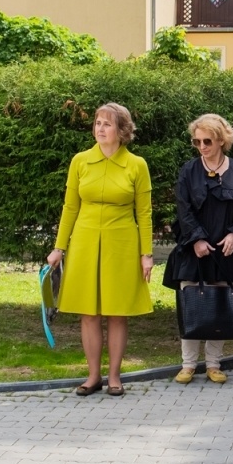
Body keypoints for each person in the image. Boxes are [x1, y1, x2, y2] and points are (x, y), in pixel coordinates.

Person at [45, 103, 155, 397]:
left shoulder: (137, 165)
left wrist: (146, 254)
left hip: (122, 243)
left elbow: (144, 212)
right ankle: (93, 376)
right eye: (97, 123)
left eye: (107, 124)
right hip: (84, 242)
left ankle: (115, 376)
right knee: (89, 313)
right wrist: (59, 248)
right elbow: (70, 207)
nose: (100, 129)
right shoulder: (80, 161)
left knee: (117, 313)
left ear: (122, 131)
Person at [164, 114, 233, 384]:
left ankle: (214, 363)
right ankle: (188, 365)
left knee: (223, 301)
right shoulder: (189, 170)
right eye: (197, 141)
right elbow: (184, 208)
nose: (201, 146)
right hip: (196, 247)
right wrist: (197, 240)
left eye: (207, 141)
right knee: (191, 301)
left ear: (221, 141)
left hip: (227, 247)